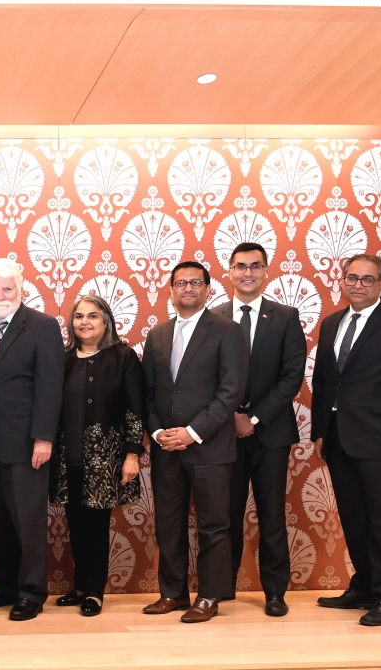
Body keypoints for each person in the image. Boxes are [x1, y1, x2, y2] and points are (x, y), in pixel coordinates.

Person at [312, 253, 381, 626]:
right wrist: (321, 433)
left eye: (367, 279)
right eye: (352, 278)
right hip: (339, 439)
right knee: (354, 518)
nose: (358, 284)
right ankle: (365, 585)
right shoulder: (331, 324)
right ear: (341, 281)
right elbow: (325, 383)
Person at [142, 261, 248, 623]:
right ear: (170, 290)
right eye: (181, 283)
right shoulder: (157, 335)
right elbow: (149, 393)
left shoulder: (227, 331)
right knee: (168, 524)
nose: (188, 288)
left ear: (207, 289)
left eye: (195, 282)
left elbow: (230, 393)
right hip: (166, 448)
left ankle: (208, 596)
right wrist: (158, 433)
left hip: (210, 446)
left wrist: (192, 432)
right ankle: (172, 593)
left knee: (213, 525)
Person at [0, 259, 64, 621]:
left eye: (8, 288)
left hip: (25, 444)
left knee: (28, 521)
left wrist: (44, 439)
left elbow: (50, 387)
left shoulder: (42, 326)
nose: (1, 295)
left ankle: (31, 592)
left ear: (20, 290)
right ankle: (6, 587)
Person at [212, 242, 305, 617]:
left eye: (255, 266)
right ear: (229, 272)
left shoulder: (285, 316)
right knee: (225, 515)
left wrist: (252, 418)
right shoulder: (213, 316)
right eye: (240, 267)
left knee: (271, 516)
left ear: (266, 271)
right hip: (223, 435)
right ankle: (222, 588)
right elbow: (206, 378)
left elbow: (291, 377)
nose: (247, 273)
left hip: (271, 434)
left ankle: (275, 592)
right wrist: (229, 417)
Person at [49, 295, 145, 617]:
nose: (84, 322)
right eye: (78, 317)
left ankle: (94, 592)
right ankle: (79, 586)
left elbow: (135, 410)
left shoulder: (122, 357)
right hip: (67, 457)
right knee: (75, 523)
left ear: (106, 322)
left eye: (92, 316)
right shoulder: (62, 359)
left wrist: (132, 454)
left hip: (104, 459)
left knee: (96, 525)